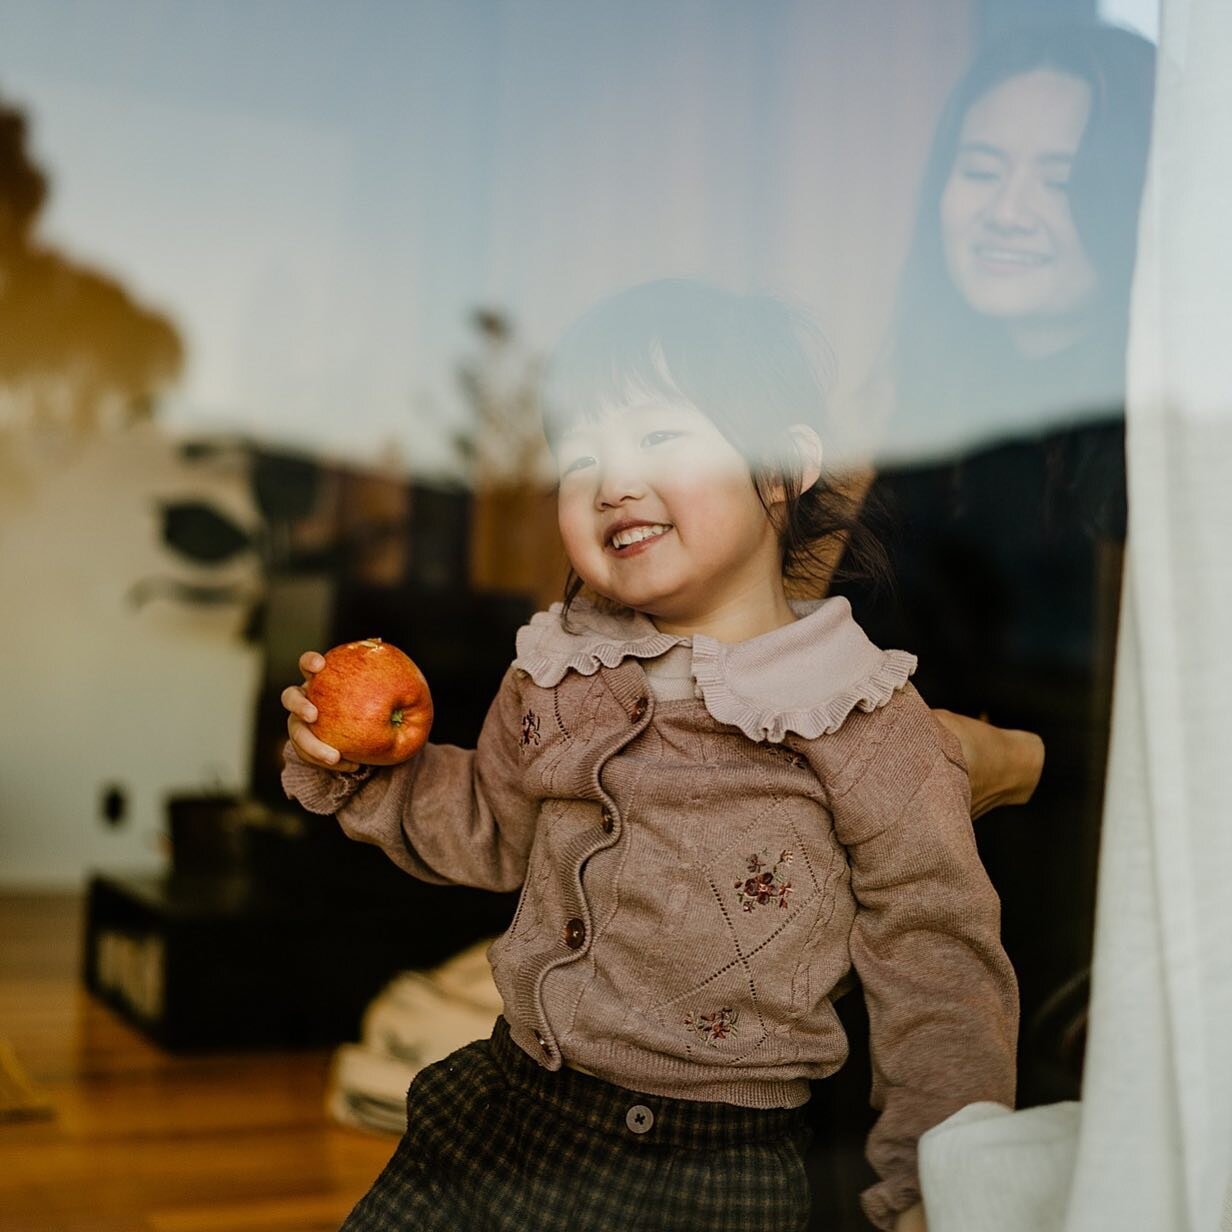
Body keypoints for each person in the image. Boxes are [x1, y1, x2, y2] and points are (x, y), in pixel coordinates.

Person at [281, 280, 1018, 1232]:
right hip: (509, 1111)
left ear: (784, 467)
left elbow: (939, 967)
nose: (610, 483)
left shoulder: (865, 720)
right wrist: (360, 766)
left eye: (660, 439)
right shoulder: (559, 673)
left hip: (706, 1171)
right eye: (580, 457)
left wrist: (931, 1185)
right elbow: (492, 829)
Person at [832, 23, 1155, 1103]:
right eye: (979, 168)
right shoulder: (938, 425)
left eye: (1060, 179)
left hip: (1077, 959)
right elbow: (859, 658)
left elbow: (1176, 747)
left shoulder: (1172, 438)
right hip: (892, 925)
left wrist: (1018, 758)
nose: (1006, 208)